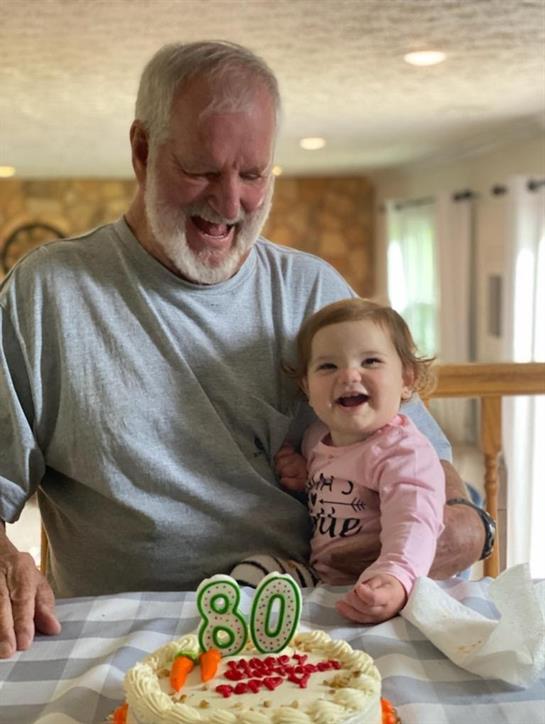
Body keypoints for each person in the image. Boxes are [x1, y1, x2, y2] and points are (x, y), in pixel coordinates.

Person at [0, 40, 485, 659]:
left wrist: (469, 526)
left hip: (316, 623)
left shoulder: (313, 290)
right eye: (202, 170)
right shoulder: (47, 294)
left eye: (253, 175)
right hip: (129, 638)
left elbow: (427, 468)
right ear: (143, 152)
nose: (230, 205)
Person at [275, 298, 445, 623]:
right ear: (307, 387)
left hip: (381, 589)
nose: (349, 375)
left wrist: (396, 578)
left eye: (370, 361)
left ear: (407, 380)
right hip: (324, 584)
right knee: (257, 572)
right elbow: (327, 481)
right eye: (328, 366)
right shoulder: (315, 437)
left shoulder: (404, 453)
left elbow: (414, 521)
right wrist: (301, 474)